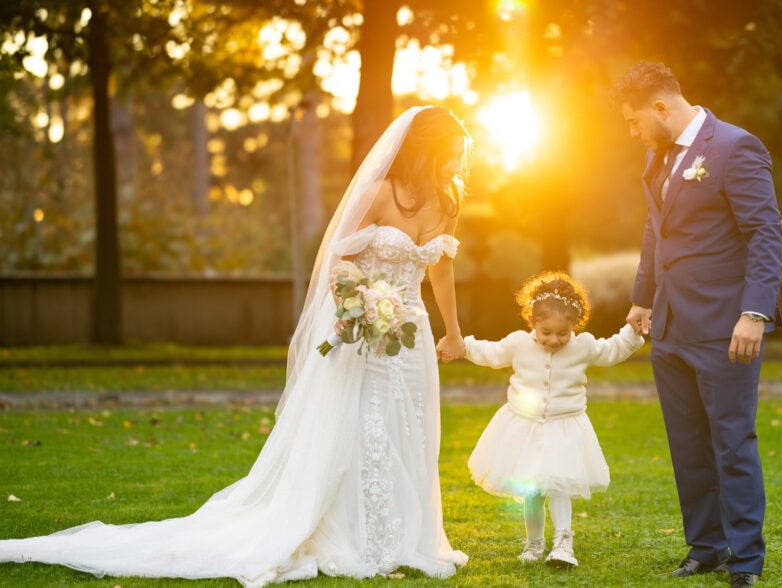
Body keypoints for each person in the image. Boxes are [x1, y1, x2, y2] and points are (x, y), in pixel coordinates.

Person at [0, 106, 472, 586]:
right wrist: (356, 301)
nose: (457, 166)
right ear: (425, 151)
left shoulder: (448, 203)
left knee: (410, 428)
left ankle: (407, 536)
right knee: (366, 427)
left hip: (410, 334)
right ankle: (362, 535)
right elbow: (339, 257)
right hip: (364, 333)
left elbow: (441, 270)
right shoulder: (379, 193)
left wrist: (452, 331)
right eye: (450, 155)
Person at [611, 62, 782, 587]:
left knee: (731, 442)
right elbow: (655, 229)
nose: (633, 132)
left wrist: (754, 313)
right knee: (687, 444)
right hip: (668, 325)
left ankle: (746, 560)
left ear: (662, 108)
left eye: (635, 121)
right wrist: (642, 298)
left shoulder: (735, 148)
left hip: (724, 327)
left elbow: (764, 232)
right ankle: (706, 546)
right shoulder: (656, 155)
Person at [458, 271, 644, 568]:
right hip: (525, 427)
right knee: (531, 489)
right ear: (532, 321)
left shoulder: (583, 346)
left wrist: (632, 333)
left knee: (559, 485)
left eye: (562, 333)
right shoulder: (518, 343)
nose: (554, 340)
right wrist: (463, 346)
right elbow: (491, 353)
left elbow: (612, 350)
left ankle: (563, 542)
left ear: (574, 326)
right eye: (546, 332)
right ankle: (534, 543)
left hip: (565, 427)